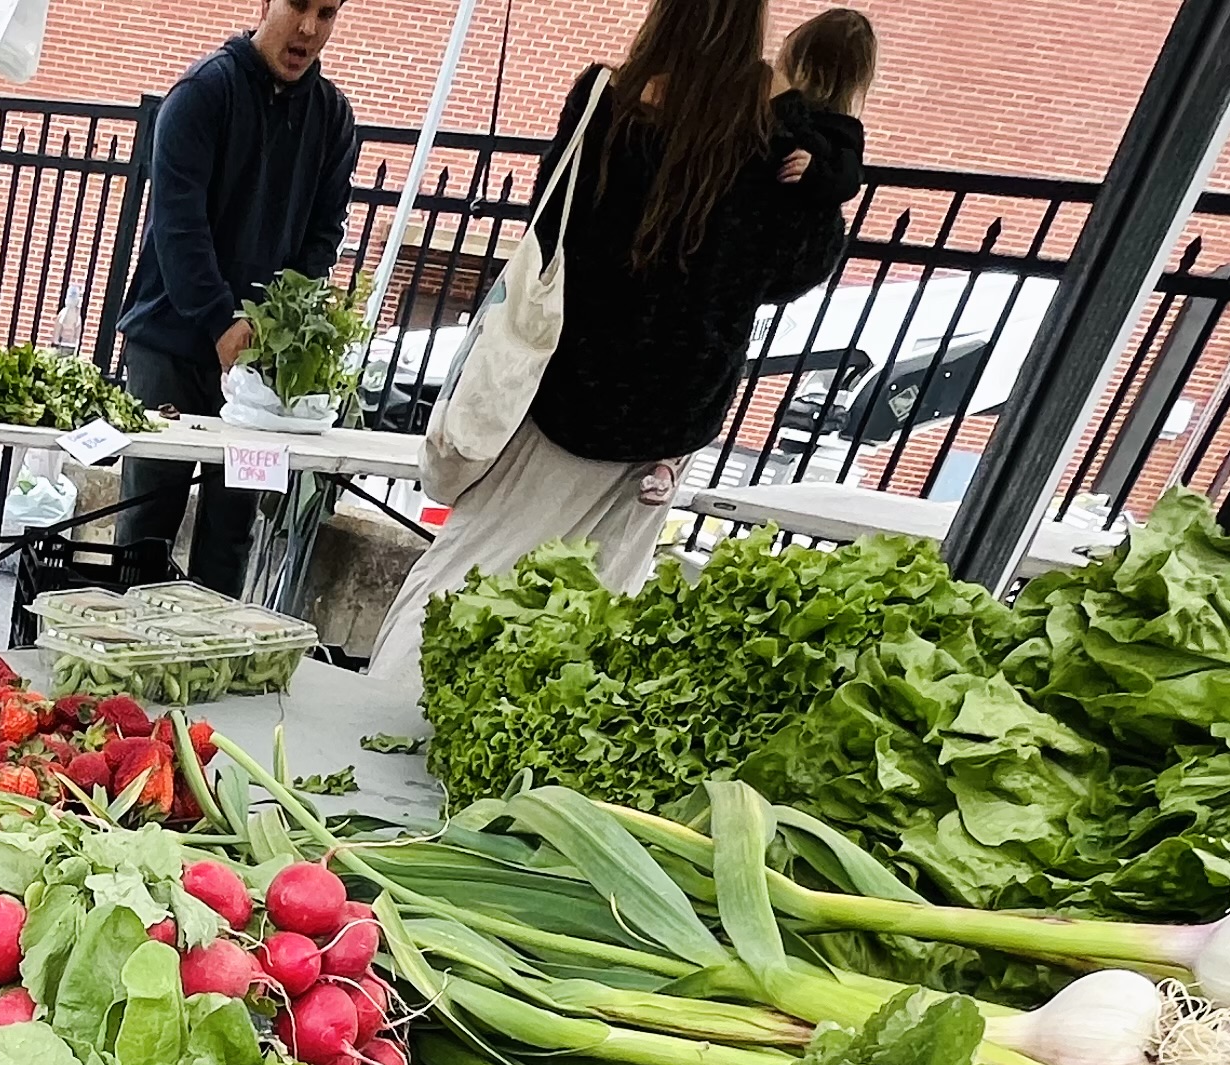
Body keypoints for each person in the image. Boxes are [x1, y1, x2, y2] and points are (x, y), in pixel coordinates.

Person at [367, 0, 864, 659]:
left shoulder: (606, 99)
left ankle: (380, 720)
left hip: (564, 384)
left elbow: (551, 228)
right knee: (585, 618)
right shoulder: (771, 139)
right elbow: (792, 271)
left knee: (466, 577)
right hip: (669, 418)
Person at [112, 0, 365, 595]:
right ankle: (117, 674)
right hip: (169, 346)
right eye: (298, 6)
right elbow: (179, 227)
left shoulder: (333, 117)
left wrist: (278, 325)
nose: (309, 28)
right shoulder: (202, 95)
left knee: (231, 532)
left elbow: (325, 232)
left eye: (326, 13)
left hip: (258, 367)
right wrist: (221, 319)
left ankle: (207, 669)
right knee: (147, 522)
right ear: (265, 6)